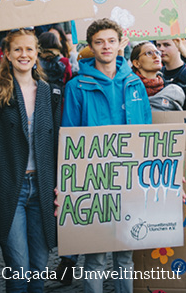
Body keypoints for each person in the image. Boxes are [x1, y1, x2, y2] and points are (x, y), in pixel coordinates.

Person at [62, 18, 151, 293]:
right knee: (96, 257)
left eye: (111, 41)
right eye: (99, 42)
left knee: (125, 256)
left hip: (131, 179)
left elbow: (148, 135)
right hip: (94, 181)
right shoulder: (76, 87)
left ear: (121, 43)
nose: (106, 47)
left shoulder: (136, 83)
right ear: (91, 46)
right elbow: (69, 137)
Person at [0, 28, 61, 292]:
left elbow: (58, 145)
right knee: (18, 269)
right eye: (17, 49)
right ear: (7, 54)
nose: (24, 54)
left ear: (37, 52)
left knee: (39, 268)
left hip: (42, 188)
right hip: (10, 188)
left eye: (29, 49)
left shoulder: (49, 93)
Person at [131, 40, 186, 110]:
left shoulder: (171, 89)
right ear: (137, 63)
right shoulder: (129, 88)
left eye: (157, 53)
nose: (156, 56)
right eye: (149, 53)